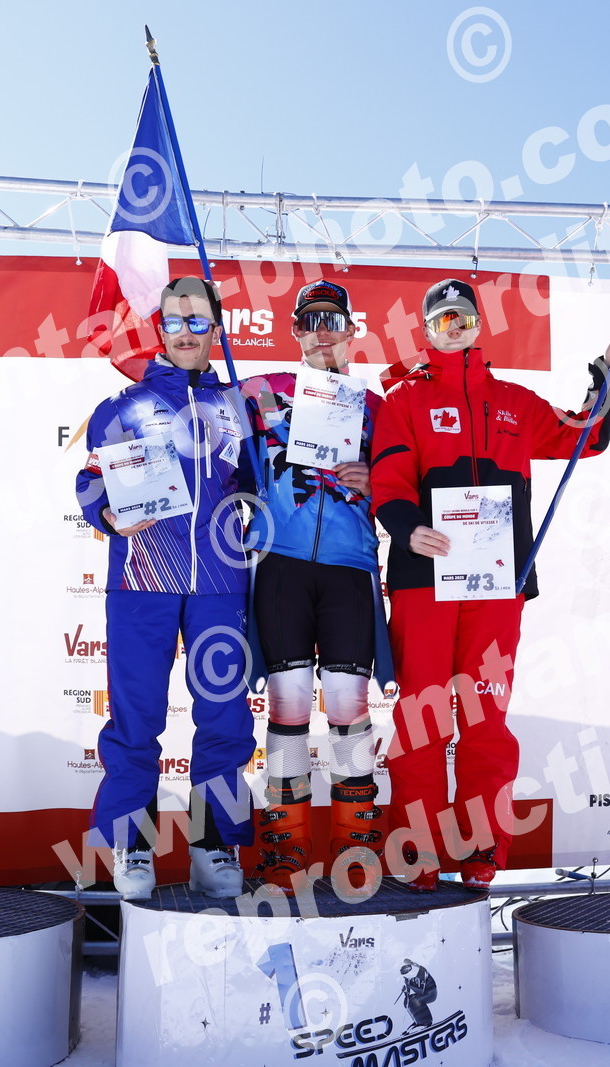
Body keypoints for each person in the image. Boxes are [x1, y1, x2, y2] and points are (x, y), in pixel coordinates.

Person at [370, 277, 610, 890]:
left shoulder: (516, 402)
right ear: (427, 330)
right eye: (443, 320)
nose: (454, 328)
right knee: (422, 720)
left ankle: (481, 847)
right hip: (424, 582)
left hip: (496, 585)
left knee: (485, 719)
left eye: (463, 318)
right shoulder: (404, 401)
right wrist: (407, 530)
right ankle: (416, 851)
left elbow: (585, 434)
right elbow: (389, 480)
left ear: (478, 325)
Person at [75, 276, 256, 900]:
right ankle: (132, 845)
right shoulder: (121, 407)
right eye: (174, 320)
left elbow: (262, 478)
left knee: (225, 717)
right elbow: (90, 481)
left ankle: (214, 844)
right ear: (160, 329)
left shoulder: (238, 406)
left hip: (220, 582)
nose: (185, 331)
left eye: (198, 320)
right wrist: (105, 513)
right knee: (136, 719)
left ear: (216, 330)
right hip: (142, 580)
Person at [240, 280, 389, 894]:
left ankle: (356, 842)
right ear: (295, 330)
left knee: (350, 709)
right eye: (311, 321)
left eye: (333, 320)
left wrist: (376, 481)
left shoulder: (377, 405)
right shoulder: (260, 391)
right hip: (282, 562)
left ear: (352, 330)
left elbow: (408, 483)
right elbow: (207, 442)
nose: (322, 332)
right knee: (288, 709)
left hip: (350, 564)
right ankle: (286, 847)